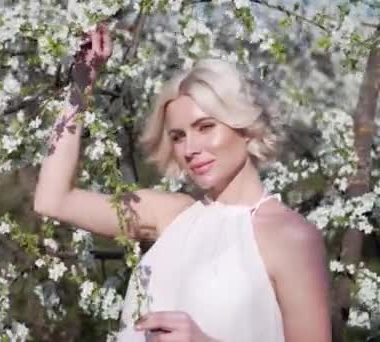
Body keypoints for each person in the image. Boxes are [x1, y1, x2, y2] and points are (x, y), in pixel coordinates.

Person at [33, 24, 331, 342]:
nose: (190, 149)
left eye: (205, 127)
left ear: (244, 126)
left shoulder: (289, 236)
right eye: (178, 136)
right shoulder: (169, 215)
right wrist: (82, 83)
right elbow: (52, 199)